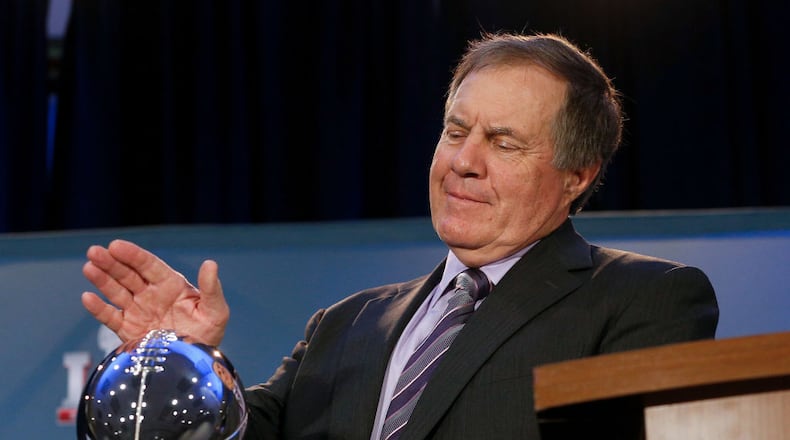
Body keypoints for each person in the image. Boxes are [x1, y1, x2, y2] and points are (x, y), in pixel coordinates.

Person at [80, 31, 719, 439]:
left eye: (504, 142)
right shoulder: (345, 324)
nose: (464, 161)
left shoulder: (645, 298)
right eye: (456, 130)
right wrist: (194, 363)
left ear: (578, 175)